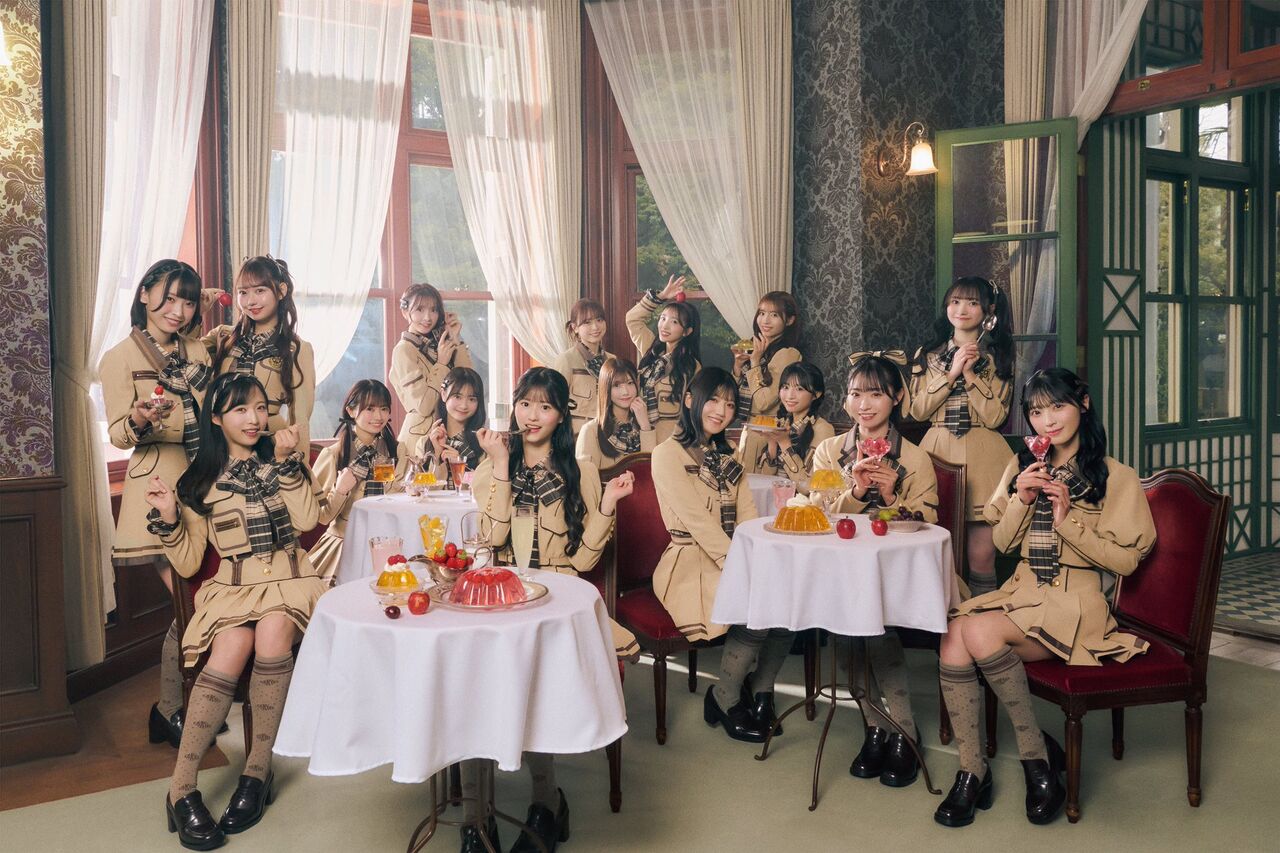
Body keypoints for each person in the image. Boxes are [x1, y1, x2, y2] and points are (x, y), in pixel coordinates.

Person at [934, 367, 1155, 828]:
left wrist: (1066, 521)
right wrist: (1021, 496)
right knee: (954, 633)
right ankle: (972, 771)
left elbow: (1127, 562)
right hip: (1023, 592)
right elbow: (1002, 544)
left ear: (1084, 404)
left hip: (1075, 605)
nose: (1047, 421)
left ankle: (1035, 760)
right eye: (1036, 412)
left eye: (1058, 406)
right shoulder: (1023, 466)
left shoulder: (1116, 476)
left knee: (976, 632)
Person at [144, 373, 326, 849]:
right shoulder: (198, 482)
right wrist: (169, 517)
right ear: (217, 418)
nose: (254, 418)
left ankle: (256, 773)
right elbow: (188, 563)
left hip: (290, 581)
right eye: (241, 409)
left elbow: (308, 519)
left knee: (272, 632)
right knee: (231, 645)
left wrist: (287, 464)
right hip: (234, 588)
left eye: (261, 408)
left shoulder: (282, 460)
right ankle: (181, 790)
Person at [468, 367, 636, 853]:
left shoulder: (577, 469)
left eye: (545, 406)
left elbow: (583, 561)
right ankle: (477, 819)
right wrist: (501, 464)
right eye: (525, 403)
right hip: (502, 592)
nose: (532, 415)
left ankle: (546, 803)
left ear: (561, 415)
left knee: (536, 683)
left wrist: (607, 503)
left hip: (557, 595)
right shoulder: (491, 464)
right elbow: (492, 538)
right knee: (475, 683)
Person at [99, 259, 213, 749]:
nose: (177, 310)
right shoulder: (119, 357)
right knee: (191, 605)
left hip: (205, 484)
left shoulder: (198, 350)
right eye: (168, 298)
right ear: (144, 294)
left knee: (206, 602)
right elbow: (118, 434)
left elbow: (215, 409)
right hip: (156, 489)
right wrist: (141, 418)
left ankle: (184, 707)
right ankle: (171, 709)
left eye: (187, 301)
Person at [811, 351, 938, 788]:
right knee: (844, 631)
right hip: (840, 567)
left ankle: (904, 731)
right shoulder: (829, 451)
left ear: (897, 397)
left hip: (896, 571)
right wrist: (855, 491)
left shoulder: (915, 458)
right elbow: (819, 512)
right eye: (855, 394)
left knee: (877, 628)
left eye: (876, 394)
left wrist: (889, 499)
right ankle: (875, 726)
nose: (864, 405)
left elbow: (931, 523)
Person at [650, 368, 792, 744]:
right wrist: (737, 567)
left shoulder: (727, 456)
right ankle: (724, 696)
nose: (721, 410)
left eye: (729, 404)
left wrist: (753, 561)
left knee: (787, 601)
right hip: (687, 564)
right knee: (757, 604)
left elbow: (748, 517)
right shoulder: (666, 454)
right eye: (713, 399)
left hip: (730, 555)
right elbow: (695, 520)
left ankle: (761, 690)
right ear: (689, 400)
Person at [908, 276, 1015, 597]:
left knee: (982, 556)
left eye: (972, 302)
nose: (961, 309)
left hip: (985, 458)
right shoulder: (927, 354)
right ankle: (942, 622)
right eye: (955, 302)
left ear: (989, 310)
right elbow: (917, 411)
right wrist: (951, 372)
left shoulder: (997, 355)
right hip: (936, 452)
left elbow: (995, 417)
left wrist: (969, 374)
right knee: (937, 553)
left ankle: (981, 618)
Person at [204, 255, 315, 450]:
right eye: (243, 292)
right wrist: (199, 309)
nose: (251, 301)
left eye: (260, 290)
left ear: (281, 291)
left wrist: (298, 463)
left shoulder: (296, 349)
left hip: (269, 446)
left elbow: (300, 419)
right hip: (222, 446)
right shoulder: (222, 337)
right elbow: (180, 355)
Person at [309, 380, 413, 585]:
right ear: (351, 411)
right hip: (345, 545)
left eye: (384, 408)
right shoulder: (333, 455)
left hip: (388, 543)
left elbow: (402, 500)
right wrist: (340, 490)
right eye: (370, 409)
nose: (379, 416)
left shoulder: (397, 451)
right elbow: (321, 517)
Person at [389, 282, 472, 448]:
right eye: (419, 309)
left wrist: (455, 338)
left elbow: (469, 382)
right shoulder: (404, 350)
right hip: (418, 440)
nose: (427, 318)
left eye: (433, 310)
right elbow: (424, 406)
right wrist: (441, 364)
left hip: (448, 434)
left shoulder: (439, 345)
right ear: (405, 312)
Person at [626, 275, 701, 444]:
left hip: (671, 440)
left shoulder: (691, 366)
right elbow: (632, 319)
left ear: (687, 331)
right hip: (639, 434)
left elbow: (694, 411)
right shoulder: (651, 349)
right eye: (663, 318)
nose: (664, 326)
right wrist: (661, 296)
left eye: (674, 322)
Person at [735, 360, 834, 487]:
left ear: (816, 394)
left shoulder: (823, 429)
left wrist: (784, 443)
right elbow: (766, 479)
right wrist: (772, 442)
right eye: (785, 387)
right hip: (773, 496)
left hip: (799, 499)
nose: (790, 396)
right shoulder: (782, 424)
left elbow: (808, 486)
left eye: (799, 389)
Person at [574, 357, 656, 470]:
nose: (625, 392)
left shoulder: (644, 425)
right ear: (606, 388)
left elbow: (651, 470)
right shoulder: (591, 431)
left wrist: (645, 426)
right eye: (616, 385)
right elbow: (587, 478)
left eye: (630, 383)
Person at [731, 291, 802, 421]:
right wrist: (737, 367)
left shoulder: (788, 354)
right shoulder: (755, 347)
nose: (765, 320)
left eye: (774, 315)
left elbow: (763, 402)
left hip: (765, 427)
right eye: (762, 313)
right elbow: (729, 396)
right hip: (740, 424)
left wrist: (755, 362)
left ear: (789, 320)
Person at [551, 298, 613, 435]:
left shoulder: (612, 360)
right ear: (575, 328)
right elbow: (554, 403)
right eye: (587, 322)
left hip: (607, 435)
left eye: (599, 320)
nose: (595, 327)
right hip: (576, 437)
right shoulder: (566, 360)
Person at [422, 366, 487, 485]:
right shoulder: (424, 443)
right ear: (443, 394)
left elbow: (485, 490)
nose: (464, 405)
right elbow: (425, 491)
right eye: (457, 396)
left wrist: (460, 465)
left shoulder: (485, 443)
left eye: (472, 399)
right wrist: (437, 454)